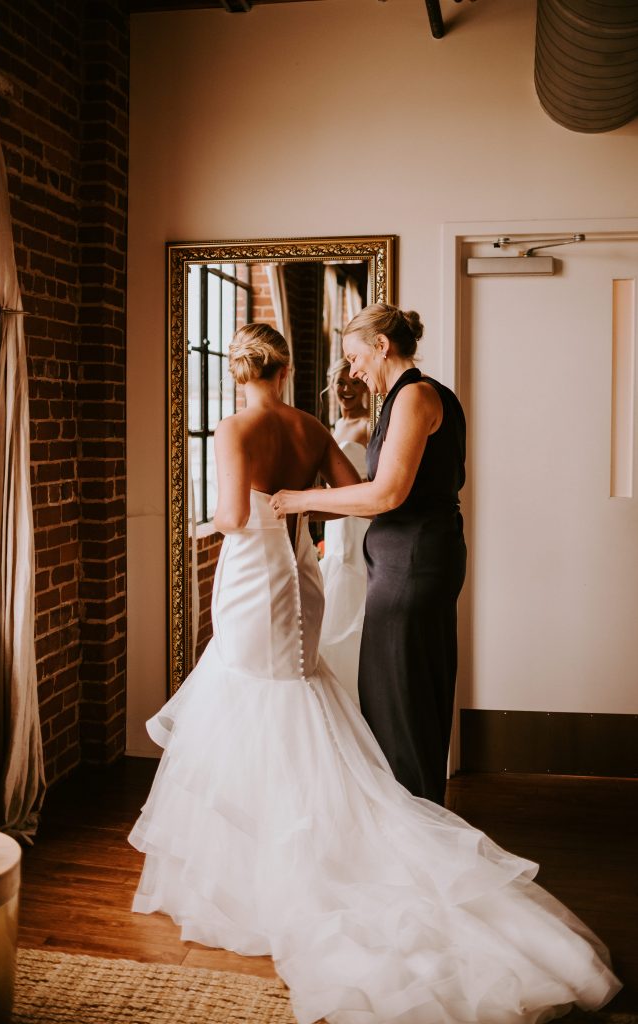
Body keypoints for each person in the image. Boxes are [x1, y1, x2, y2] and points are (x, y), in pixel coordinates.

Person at [129, 321, 620, 1024]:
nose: (352, 364)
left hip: (251, 576)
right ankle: (314, 839)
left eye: (357, 352)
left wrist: (205, 522)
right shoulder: (309, 427)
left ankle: (277, 863)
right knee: (295, 698)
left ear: (239, 371)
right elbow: (353, 487)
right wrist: (326, 464)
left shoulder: (234, 427)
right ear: (283, 366)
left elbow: (236, 515)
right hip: (300, 576)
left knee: (248, 700)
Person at [273, 303, 466, 806]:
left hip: (413, 565)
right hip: (406, 562)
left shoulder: (416, 397)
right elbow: (373, 492)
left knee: (404, 702)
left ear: (382, 346)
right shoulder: (405, 399)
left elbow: (386, 496)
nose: (353, 371)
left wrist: (303, 500)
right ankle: (413, 818)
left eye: (356, 357)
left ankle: (418, 824)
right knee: (395, 698)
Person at [318, 358, 370, 704]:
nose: (347, 389)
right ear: (331, 386)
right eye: (340, 382)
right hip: (335, 522)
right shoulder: (334, 425)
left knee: (355, 580)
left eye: (353, 381)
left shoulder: (369, 425)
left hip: (358, 519)